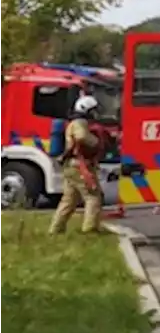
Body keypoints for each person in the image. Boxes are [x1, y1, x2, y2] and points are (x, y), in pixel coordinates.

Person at [49, 94, 108, 235]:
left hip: (71, 166)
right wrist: (97, 143)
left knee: (69, 200)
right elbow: (82, 137)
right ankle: (90, 229)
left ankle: (55, 230)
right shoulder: (79, 123)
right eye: (93, 110)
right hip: (80, 166)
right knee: (93, 196)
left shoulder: (74, 123)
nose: (95, 113)